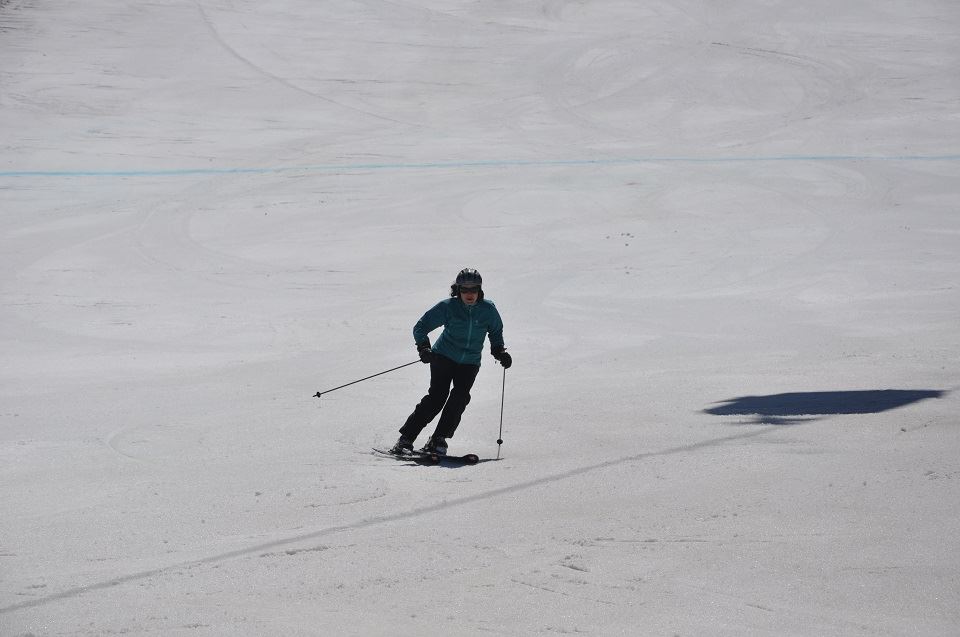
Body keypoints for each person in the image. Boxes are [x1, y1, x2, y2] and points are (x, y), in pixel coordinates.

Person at [390, 268, 512, 455]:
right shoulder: (448, 307)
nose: (469, 294)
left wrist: (499, 351)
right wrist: (424, 347)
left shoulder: (488, 310)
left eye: (474, 289)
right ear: (458, 290)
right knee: (437, 397)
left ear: (480, 290)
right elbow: (420, 327)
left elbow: (496, 332)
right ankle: (406, 438)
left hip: (470, 362)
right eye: (465, 289)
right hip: (443, 357)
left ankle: (438, 438)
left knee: (460, 397)